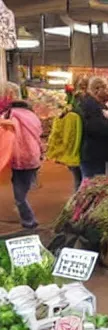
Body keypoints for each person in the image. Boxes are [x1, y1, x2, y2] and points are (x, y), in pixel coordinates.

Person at [1, 82, 42, 229]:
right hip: (33, 157)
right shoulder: (31, 114)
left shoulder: (11, 116)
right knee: (21, 189)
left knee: (20, 196)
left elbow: (10, 134)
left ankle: (29, 221)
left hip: (20, 159)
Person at [80, 77, 108, 179]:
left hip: (97, 153)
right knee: (92, 185)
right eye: (106, 89)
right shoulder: (90, 105)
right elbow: (95, 126)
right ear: (97, 89)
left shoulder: (95, 104)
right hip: (93, 153)